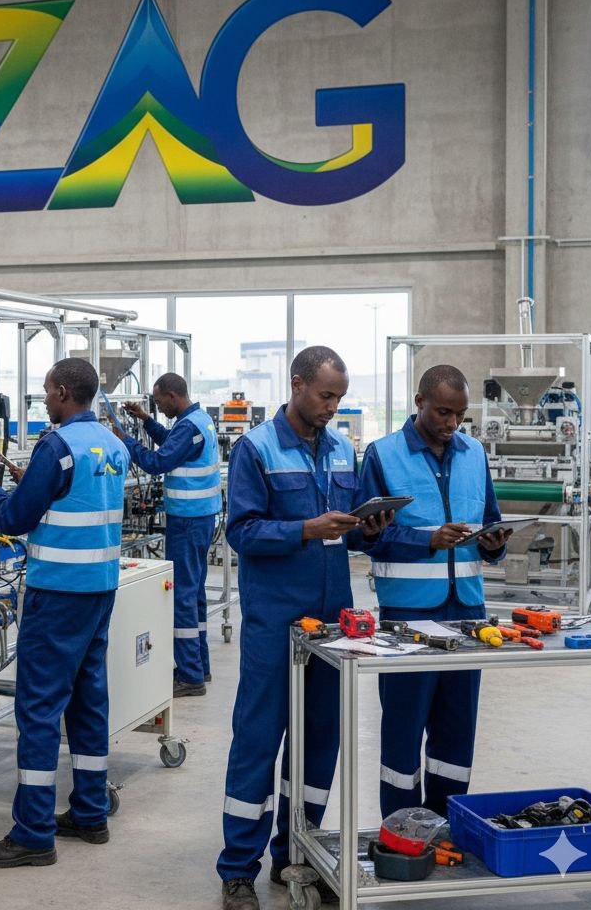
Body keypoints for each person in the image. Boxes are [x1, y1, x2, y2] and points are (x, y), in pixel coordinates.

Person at [217, 346, 388, 910]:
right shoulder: (256, 449)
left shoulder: (341, 449)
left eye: (339, 397)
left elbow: (352, 532)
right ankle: (237, 870)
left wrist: (370, 526)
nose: (332, 407)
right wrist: (306, 529)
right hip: (274, 621)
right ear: (297, 385)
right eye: (325, 395)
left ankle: (297, 852)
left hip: (332, 621)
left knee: (319, 742)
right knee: (258, 740)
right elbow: (242, 532)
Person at [0, 357, 130, 868]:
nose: (43, 400)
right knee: (87, 701)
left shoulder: (57, 447)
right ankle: (90, 812)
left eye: (45, 392)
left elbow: (15, 519)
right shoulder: (113, 443)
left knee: (38, 709)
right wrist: (30, 481)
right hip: (100, 588)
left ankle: (33, 832)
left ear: (62, 392)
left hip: (58, 591)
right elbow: (73, 498)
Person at [356, 364, 509, 817]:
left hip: (468, 615)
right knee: (403, 733)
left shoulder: (474, 454)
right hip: (408, 618)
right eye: (444, 412)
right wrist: (427, 539)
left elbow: (490, 520)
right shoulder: (383, 455)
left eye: (460, 415)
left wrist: (494, 544)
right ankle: (402, 830)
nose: (452, 423)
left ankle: (447, 825)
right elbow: (365, 536)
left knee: (457, 732)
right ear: (419, 401)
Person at [117, 372, 221, 697]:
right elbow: (171, 442)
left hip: (188, 522)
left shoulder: (189, 427)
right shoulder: (197, 420)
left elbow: (157, 461)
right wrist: (146, 420)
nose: (158, 406)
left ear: (173, 396)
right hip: (200, 519)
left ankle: (189, 676)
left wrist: (126, 442)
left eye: (159, 401)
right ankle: (200, 666)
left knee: (182, 596)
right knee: (195, 593)